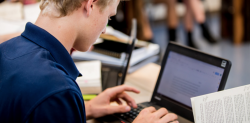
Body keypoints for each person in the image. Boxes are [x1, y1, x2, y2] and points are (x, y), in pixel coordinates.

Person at [0, 0, 178, 123]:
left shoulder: (6, 49)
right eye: (108, 17)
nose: (103, 30)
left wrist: (86, 108)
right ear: (90, 5)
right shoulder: (56, 90)